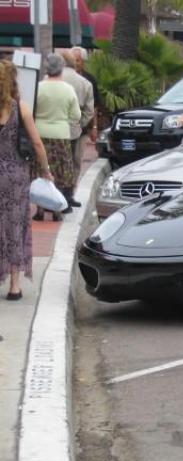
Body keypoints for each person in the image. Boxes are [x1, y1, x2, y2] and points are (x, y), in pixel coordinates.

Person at [0, 61, 53, 300]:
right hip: (15, 177)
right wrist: (46, 170)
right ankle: (14, 285)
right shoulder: (20, 108)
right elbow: (37, 144)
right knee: (15, 226)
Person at [34, 53, 81, 221]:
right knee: (59, 172)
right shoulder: (68, 90)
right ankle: (56, 211)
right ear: (61, 68)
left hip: (39, 133)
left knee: (41, 170)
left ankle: (39, 210)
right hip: (61, 134)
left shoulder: (38, 87)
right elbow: (76, 115)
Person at [61, 50, 94, 208]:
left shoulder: (48, 81)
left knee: (57, 163)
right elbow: (89, 110)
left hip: (54, 129)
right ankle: (68, 195)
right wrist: (80, 125)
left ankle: (60, 195)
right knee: (73, 162)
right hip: (74, 129)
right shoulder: (85, 83)